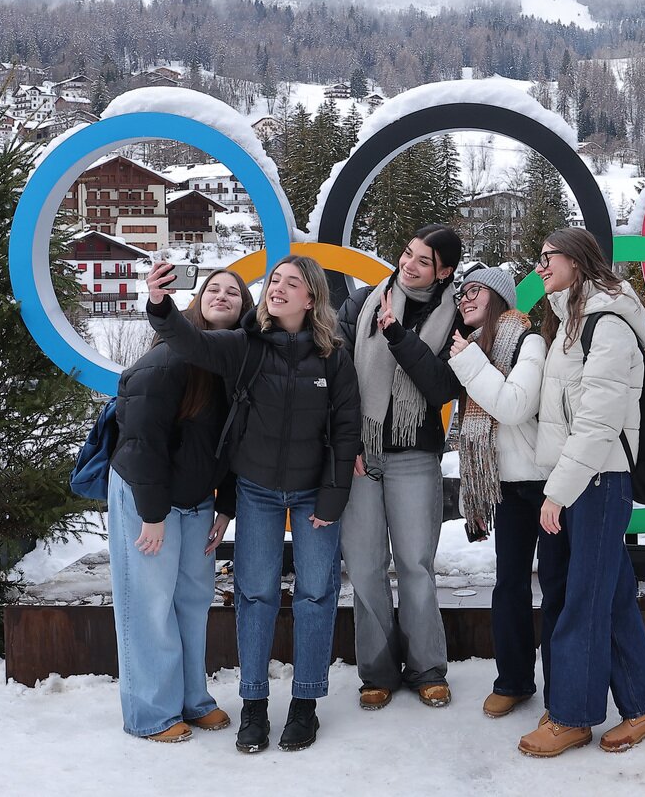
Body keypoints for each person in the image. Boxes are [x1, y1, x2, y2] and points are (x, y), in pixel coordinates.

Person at [145, 255, 361, 754]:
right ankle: (255, 706)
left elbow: (346, 430)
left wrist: (332, 499)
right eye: (274, 281)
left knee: (316, 596)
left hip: (314, 495)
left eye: (292, 283)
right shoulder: (247, 347)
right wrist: (160, 305)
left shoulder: (334, 357)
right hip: (258, 492)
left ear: (311, 298)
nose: (278, 289)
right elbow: (190, 340)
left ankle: (305, 704)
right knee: (256, 596)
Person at [517, 227, 645, 758]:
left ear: (578, 261)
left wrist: (556, 492)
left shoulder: (606, 325)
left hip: (599, 482)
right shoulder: (571, 320)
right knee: (602, 594)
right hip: (581, 478)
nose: (539, 266)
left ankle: (572, 716)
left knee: (584, 597)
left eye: (547, 257)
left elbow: (598, 421)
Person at [108, 268, 252, 743]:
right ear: (197, 301)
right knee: (148, 604)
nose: (223, 295)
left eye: (234, 291)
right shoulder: (167, 362)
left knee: (191, 602)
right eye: (214, 288)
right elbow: (140, 442)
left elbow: (235, 447)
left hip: (196, 501)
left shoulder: (237, 366)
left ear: (245, 308)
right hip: (148, 496)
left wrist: (225, 506)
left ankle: (193, 698)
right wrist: (152, 515)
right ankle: (151, 712)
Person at [337, 224, 463, 710]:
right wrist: (348, 444)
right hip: (361, 457)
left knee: (415, 565)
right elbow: (342, 377)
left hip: (415, 455)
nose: (409, 265)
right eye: (408, 254)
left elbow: (440, 387)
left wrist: (395, 334)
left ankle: (428, 668)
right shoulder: (363, 303)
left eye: (424, 261)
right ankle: (377, 672)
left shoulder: (453, 317)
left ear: (444, 271)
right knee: (366, 567)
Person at [445, 266, 558, 720]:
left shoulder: (529, 341)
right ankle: (513, 680)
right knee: (508, 584)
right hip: (506, 485)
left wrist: (469, 364)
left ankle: (563, 686)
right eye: (461, 293)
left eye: (474, 290)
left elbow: (514, 407)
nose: (465, 299)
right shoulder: (475, 347)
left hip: (548, 484)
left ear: (499, 296)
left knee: (555, 587)